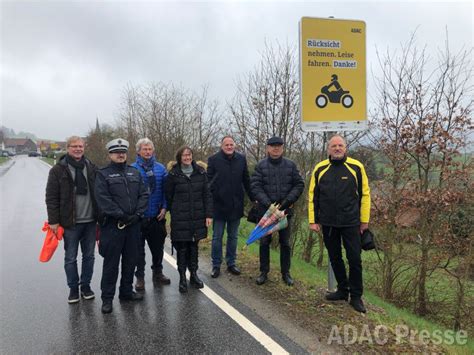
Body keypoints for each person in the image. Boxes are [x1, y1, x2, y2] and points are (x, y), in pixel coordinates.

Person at [308, 134, 371, 313]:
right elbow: (313, 195)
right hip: (328, 223)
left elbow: (365, 195)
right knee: (335, 258)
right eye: (334, 146)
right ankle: (342, 291)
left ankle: (356, 296)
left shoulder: (356, 167)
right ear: (328, 149)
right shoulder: (320, 169)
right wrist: (313, 220)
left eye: (340, 145)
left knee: (355, 259)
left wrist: (364, 220)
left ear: (345, 148)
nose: (337, 148)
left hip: (351, 222)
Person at [94, 138, 149, 314]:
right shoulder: (103, 174)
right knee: (111, 264)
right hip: (113, 227)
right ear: (110, 154)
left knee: (130, 261)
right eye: (117, 152)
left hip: (133, 226)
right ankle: (107, 299)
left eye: (123, 152)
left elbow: (144, 194)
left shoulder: (135, 172)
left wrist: (137, 215)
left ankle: (126, 292)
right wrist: (122, 215)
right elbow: (103, 200)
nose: (120, 155)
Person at [45, 136, 98, 303]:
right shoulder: (58, 170)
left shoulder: (91, 167)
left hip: (90, 221)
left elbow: (100, 192)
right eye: (74, 146)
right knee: (71, 257)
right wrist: (53, 221)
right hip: (69, 223)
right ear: (68, 148)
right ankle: (73, 289)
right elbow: (51, 197)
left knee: (89, 256)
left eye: (80, 146)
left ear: (84, 148)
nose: (78, 149)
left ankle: (86, 286)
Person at [250, 136, 305, 286]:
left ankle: (286, 273)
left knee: (285, 243)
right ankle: (263, 272)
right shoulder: (260, 166)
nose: (276, 148)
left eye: (279, 146)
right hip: (266, 211)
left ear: (283, 148)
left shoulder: (291, 165)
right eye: (273, 146)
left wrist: (288, 201)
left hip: (285, 211)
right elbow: (255, 186)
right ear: (267, 148)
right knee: (264, 242)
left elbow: (299, 184)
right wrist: (269, 204)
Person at [165, 146, 212, 293]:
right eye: (184, 155)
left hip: (197, 216)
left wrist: (208, 215)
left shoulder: (201, 173)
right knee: (182, 248)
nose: (187, 158)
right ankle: (181, 278)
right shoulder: (173, 175)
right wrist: (175, 212)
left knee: (194, 247)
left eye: (189, 155)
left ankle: (194, 275)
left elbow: (207, 195)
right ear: (179, 157)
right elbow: (169, 196)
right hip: (180, 217)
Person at [207, 136, 252, 278]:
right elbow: (208, 183)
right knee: (217, 237)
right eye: (226, 144)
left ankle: (231, 263)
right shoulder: (213, 160)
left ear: (235, 145)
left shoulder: (241, 159)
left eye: (231, 144)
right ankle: (216, 265)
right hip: (219, 206)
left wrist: (253, 199)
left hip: (235, 205)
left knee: (233, 237)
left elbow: (246, 180)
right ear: (221, 146)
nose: (229, 147)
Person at [132, 138, 170, 290]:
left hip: (157, 216)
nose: (147, 152)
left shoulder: (161, 169)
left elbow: (166, 192)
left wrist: (165, 207)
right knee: (138, 251)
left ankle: (158, 273)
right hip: (139, 218)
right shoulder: (132, 169)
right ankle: (140, 277)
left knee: (157, 249)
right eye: (144, 149)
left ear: (153, 151)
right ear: (138, 151)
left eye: (149, 149)